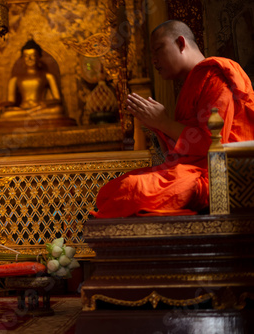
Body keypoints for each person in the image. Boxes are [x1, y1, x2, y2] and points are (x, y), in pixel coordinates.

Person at [91, 20, 254, 218]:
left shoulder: (214, 76)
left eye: (158, 49)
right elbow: (182, 150)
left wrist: (164, 123)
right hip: (190, 172)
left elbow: (211, 146)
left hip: (219, 176)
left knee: (131, 188)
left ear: (181, 43)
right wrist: (157, 124)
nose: (154, 60)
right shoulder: (191, 84)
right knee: (111, 191)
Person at [0, 39, 65, 119]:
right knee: (4, 114)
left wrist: (44, 103)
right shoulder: (15, 79)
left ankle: (28, 114)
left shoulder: (47, 76)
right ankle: (29, 114)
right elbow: (11, 101)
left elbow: (58, 99)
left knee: (58, 110)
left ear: (39, 57)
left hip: (39, 108)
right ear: (22, 58)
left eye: (33, 55)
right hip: (22, 109)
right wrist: (1, 106)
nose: (29, 58)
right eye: (26, 56)